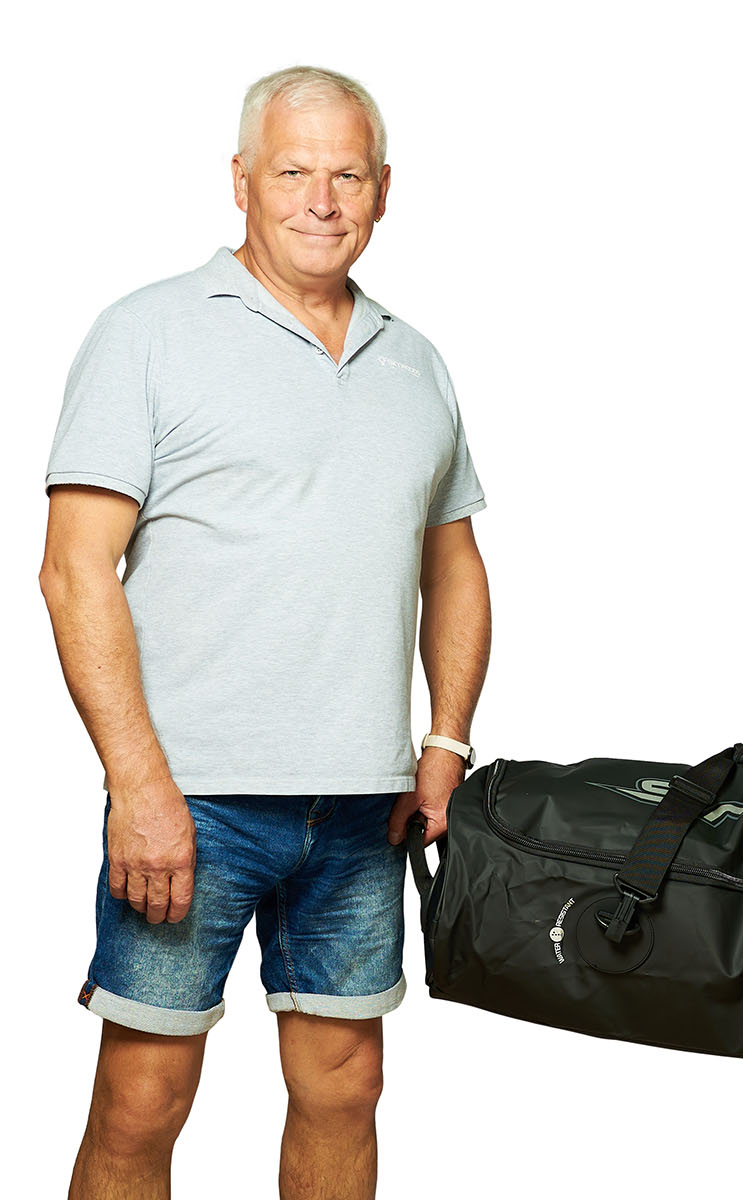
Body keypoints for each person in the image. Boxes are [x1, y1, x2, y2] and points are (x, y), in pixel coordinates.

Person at [40, 66, 491, 1199]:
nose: (321, 201)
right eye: (293, 171)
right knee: (142, 1099)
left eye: (347, 175)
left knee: (346, 1086)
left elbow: (454, 564)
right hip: (193, 799)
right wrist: (139, 783)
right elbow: (73, 571)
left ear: (384, 189)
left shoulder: (416, 360)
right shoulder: (147, 333)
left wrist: (444, 741)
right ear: (241, 181)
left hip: (362, 805)